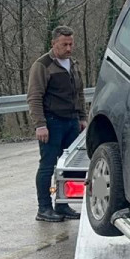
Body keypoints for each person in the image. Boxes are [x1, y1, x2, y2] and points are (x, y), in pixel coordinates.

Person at [26, 25, 86, 223]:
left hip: (71, 121)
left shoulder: (74, 64)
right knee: (48, 165)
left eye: (71, 44)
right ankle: (44, 207)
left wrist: (82, 117)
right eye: (64, 44)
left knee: (67, 167)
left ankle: (62, 204)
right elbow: (34, 97)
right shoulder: (43, 65)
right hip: (52, 122)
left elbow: (79, 93)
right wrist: (40, 124)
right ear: (54, 44)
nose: (68, 48)